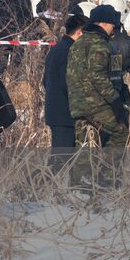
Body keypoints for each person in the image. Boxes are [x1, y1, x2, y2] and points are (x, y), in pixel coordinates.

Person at [67, 4, 128, 194]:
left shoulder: (77, 44)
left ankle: (78, 184)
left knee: (84, 143)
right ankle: (107, 177)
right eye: (112, 24)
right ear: (104, 23)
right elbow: (98, 76)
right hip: (96, 103)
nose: (113, 29)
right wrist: (116, 101)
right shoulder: (100, 45)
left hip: (77, 104)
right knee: (120, 131)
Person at [42, 12, 87, 174]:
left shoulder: (56, 49)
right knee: (59, 161)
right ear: (80, 32)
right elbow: (69, 84)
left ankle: (33, 190)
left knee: (62, 159)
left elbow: (45, 81)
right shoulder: (70, 51)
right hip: (65, 113)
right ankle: (23, 189)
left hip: (56, 111)